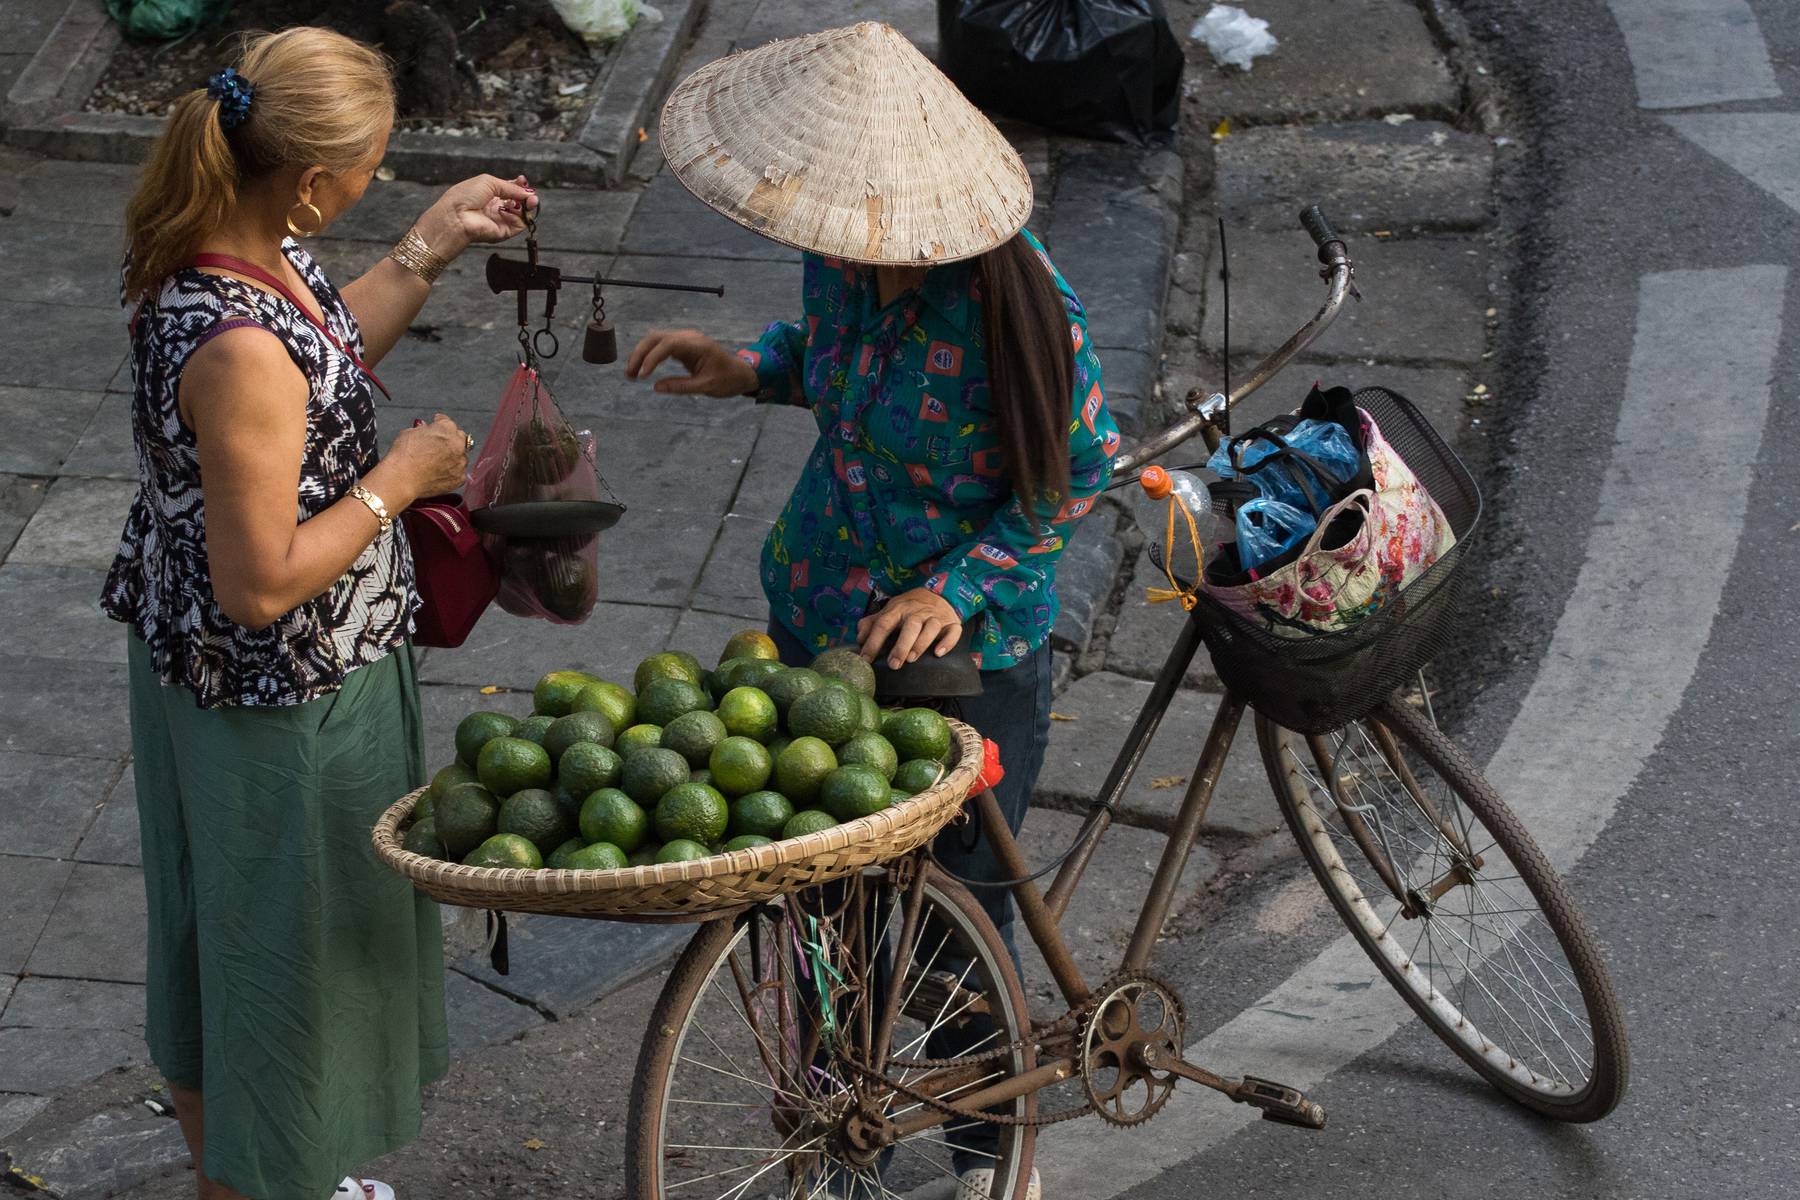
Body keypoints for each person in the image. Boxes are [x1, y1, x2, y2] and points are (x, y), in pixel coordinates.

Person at [626, 22, 1120, 1196]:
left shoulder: (1018, 308)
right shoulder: (841, 257)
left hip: (967, 663)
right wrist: (748, 364)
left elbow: (1074, 480)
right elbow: (831, 360)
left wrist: (952, 589)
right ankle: (832, 1138)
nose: (826, 237)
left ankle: (996, 1160)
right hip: (817, 626)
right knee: (819, 909)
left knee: (954, 923)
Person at [106, 27, 535, 1200]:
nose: (373, 186)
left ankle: (250, 1171)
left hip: (221, 671)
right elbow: (261, 581)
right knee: (282, 960)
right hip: (277, 695)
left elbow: (325, 356)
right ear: (307, 179)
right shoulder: (240, 348)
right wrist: (402, 480)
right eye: (370, 168)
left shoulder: (239, 248)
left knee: (225, 938)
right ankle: (258, 1182)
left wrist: (433, 241)